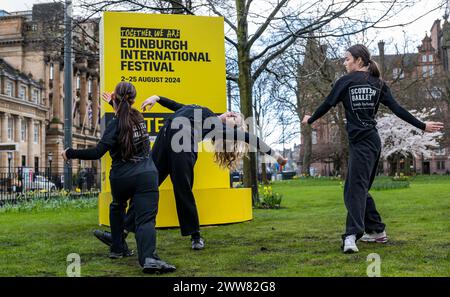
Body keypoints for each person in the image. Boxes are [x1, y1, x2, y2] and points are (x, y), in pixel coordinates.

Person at [94, 94, 288, 251]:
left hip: (183, 147)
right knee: (145, 187)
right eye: (233, 115)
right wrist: (157, 98)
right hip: (164, 141)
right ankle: (119, 237)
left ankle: (195, 236)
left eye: (235, 123)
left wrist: (277, 156)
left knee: (183, 190)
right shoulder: (205, 112)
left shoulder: (219, 129)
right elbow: (178, 106)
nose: (231, 118)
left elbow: (250, 138)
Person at [302, 44, 444, 254]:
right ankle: (377, 231)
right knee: (358, 188)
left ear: (359, 60)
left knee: (354, 190)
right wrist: (422, 126)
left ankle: (351, 236)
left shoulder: (346, 82)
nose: (344, 63)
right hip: (372, 142)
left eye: (347, 59)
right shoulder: (377, 83)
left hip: (363, 143)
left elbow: (326, 104)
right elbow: (398, 109)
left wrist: (310, 119)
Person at [61, 82, 175, 274]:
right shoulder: (139, 118)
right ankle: (148, 258)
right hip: (146, 175)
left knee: (117, 206)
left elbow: (98, 152)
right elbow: (125, 115)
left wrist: (69, 152)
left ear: (115, 98)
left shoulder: (115, 125)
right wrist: (115, 102)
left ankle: (117, 248)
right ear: (133, 99)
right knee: (145, 220)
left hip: (121, 177)